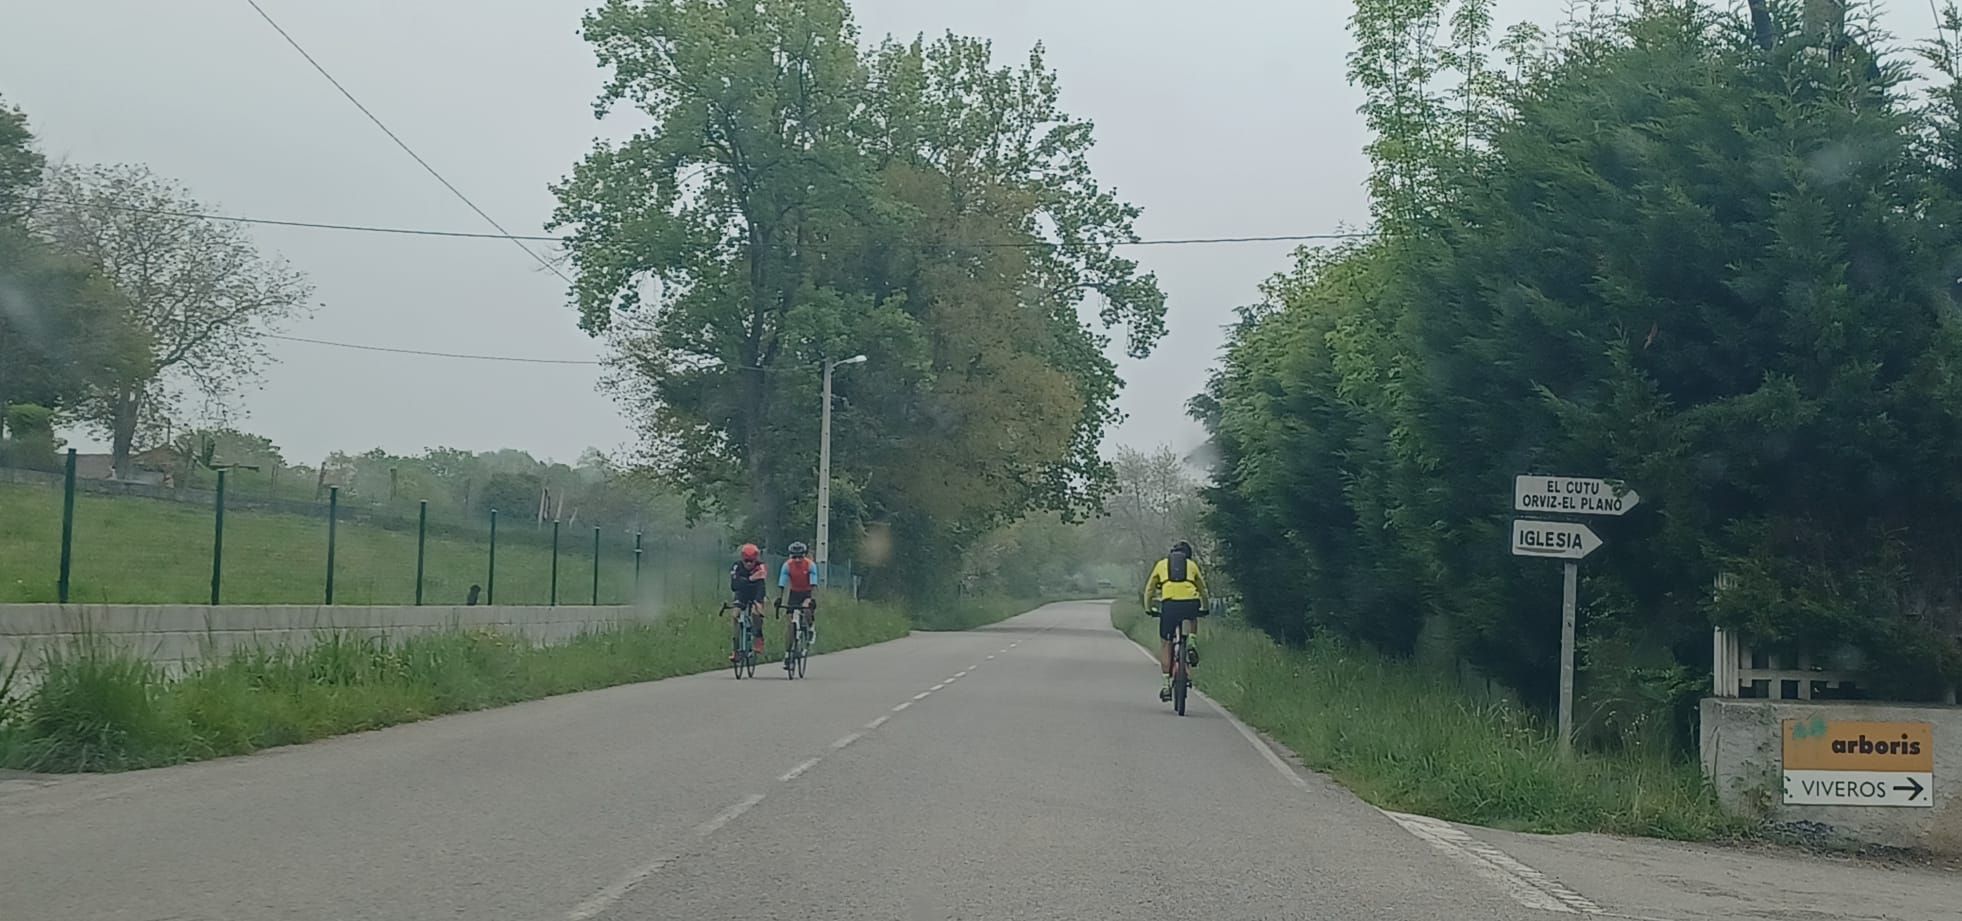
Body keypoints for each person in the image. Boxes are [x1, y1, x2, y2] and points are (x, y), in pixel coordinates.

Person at [1142, 539, 1208, 702]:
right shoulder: (1192, 565)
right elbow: (1202, 589)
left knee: (1166, 644)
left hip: (1169, 605)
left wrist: (1148, 607)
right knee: (1193, 617)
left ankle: (1166, 685)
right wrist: (1205, 607)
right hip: (1190, 604)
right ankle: (1191, 642)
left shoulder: (1161, 565)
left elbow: (1150, 589)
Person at [778, 540, 821, 648]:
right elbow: (782, 584)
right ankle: (788, 652)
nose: (797, 560)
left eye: (800, 557)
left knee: (806, 608)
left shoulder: (810, 565)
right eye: (794, 557)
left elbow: (814, 584)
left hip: (806, 592)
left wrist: (813, 599)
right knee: (790, 622)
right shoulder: (787, 565)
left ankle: (811, 628)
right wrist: (780, 599)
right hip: (794, 593)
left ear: (804, 555)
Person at [729, 543, 769, 660]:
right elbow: (734, 585)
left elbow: (761, 586)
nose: (749, 564)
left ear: (756, 559)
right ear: (742, 558)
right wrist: (750, 579)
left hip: (756, 592)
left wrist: (758, 602)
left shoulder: (761, 567)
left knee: (755, 613)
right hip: (741, 594)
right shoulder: (736, 566)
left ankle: (758, 637)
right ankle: (736, 650)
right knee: (735, 616)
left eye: (752, 561)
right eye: (746, 561)